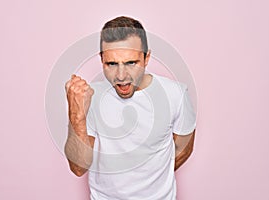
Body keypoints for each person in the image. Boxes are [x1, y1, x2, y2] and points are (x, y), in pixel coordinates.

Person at [64, 16, 196, 200]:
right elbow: (78, 168)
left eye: (131, 63)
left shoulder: (175, 94)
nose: (121, 75)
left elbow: (183, 149)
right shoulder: (90, 97)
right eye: (111, 64)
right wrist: (76, 114)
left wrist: (152, 176)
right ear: (101, 59)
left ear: (146, 57)